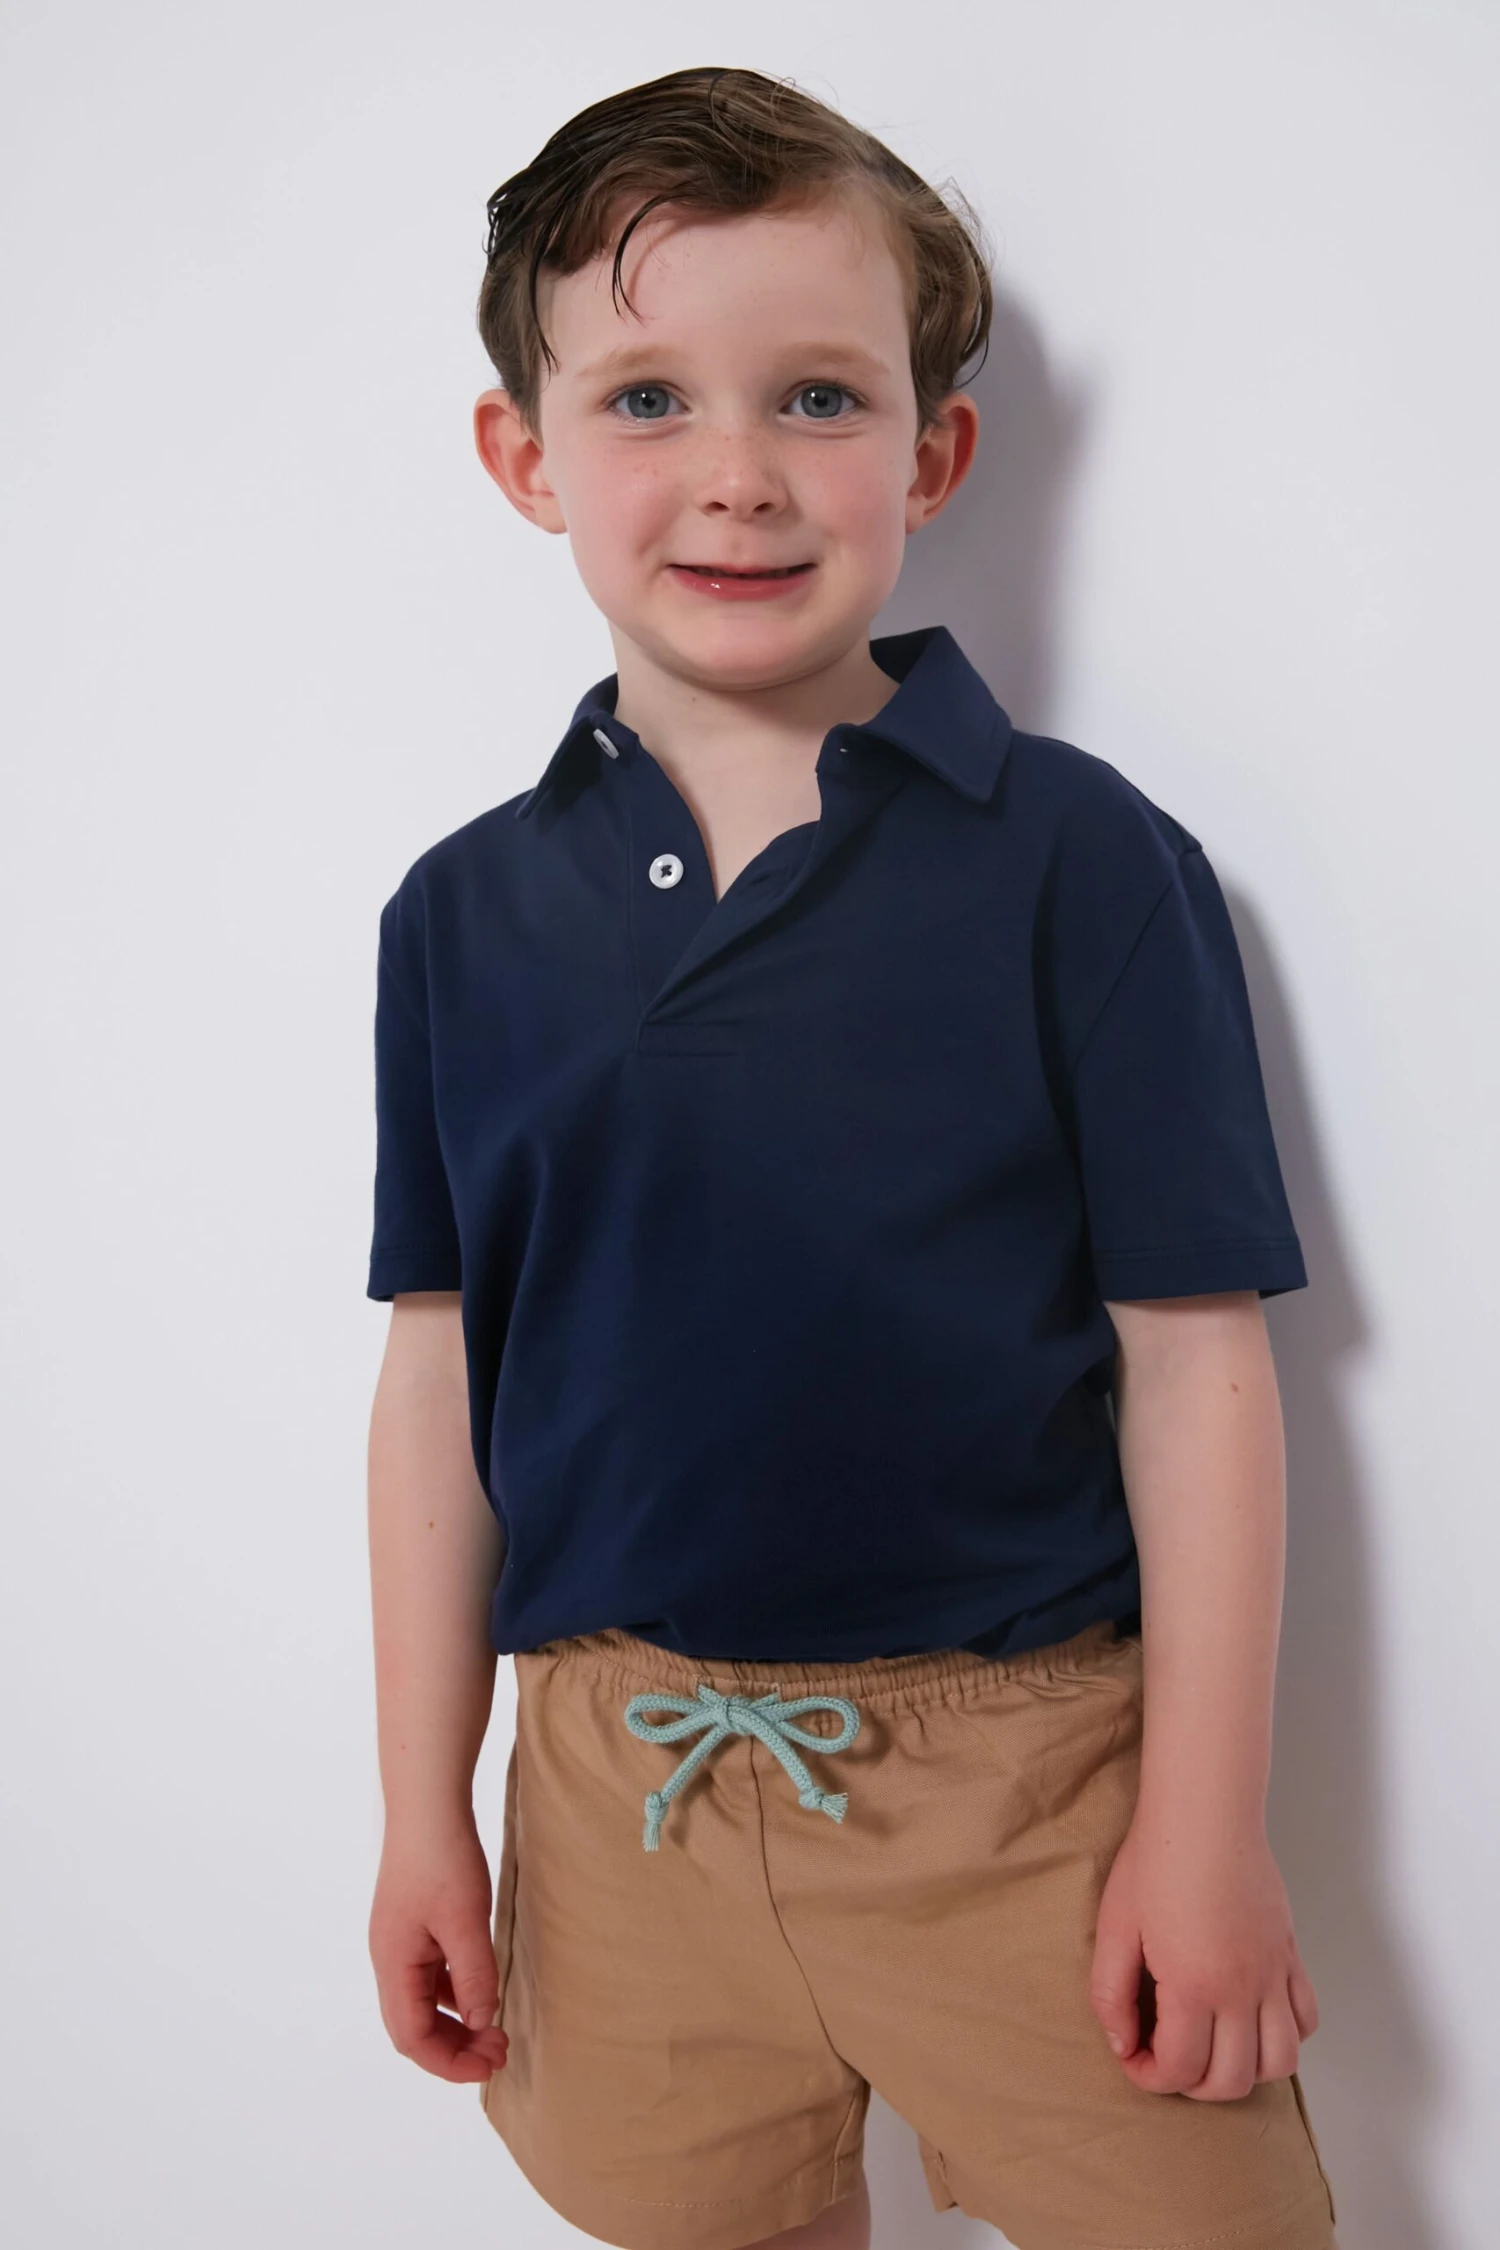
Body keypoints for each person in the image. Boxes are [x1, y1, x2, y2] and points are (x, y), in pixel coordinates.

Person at [364, 63, 1340, 2250]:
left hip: (1028, 1790)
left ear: (933, 453)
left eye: (818, 397)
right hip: (616, 1796)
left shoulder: (1083, 861)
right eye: (646, 400)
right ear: (526, 456)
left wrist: (1206, 1830)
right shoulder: (458, 915)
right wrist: (428, 1809)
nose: (737, 473)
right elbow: (438, 1381)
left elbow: (1199, 1365)